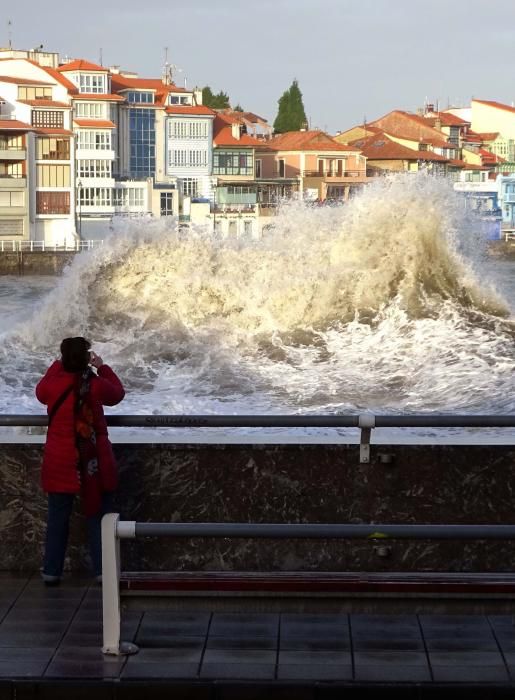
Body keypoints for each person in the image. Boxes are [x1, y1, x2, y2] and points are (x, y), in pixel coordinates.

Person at [36, 337, 125, 585]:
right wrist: (102, 366)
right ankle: (102, 571)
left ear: (64, 358)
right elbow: (117, 393)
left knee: (57, 518)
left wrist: (56, 365)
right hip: (92, 461)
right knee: (98, 515)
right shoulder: (95, 385)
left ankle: (51, 572)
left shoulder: (53, 385)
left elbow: (40, 392)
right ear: (87, 359)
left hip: (60, 461)